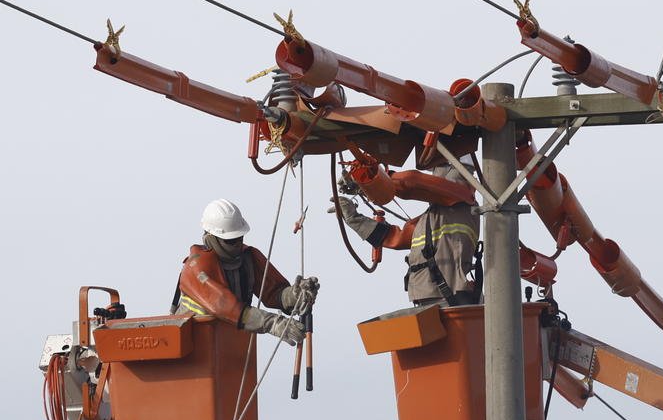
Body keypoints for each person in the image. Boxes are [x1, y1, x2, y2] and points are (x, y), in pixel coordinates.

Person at [334, 136, 481, 306]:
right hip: (430, 298)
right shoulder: (434, 218)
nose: (435, 177)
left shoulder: (463, 202)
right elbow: (395, 239)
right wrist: (355, 219)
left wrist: (372, 178)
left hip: (450, 299)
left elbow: (413, 183)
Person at [175, 198, 317, 344]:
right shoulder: (197, 267)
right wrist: (272, 323)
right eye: (230, 240)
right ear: (211, 238)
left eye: (239, 237)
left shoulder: (247, 259)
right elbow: (224, 305)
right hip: (194, 348)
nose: (237, 244)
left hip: (230, 348)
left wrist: (293, 296)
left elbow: (273, 292)